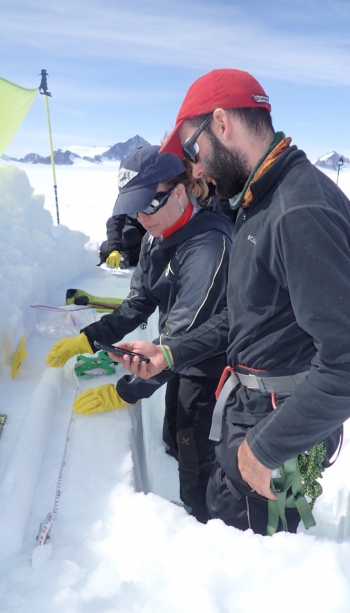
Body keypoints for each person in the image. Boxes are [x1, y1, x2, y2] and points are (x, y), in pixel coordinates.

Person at [112, 69, 350, 536]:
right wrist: (169, 352)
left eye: (193, 152)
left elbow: (345, 361)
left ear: (221, 123)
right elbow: (249, 315)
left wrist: (265, 449)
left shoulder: (299, 211)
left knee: (253, 566)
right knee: (257, 541)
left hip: (279, 427)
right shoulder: (260, 200)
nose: (195, 170)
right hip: (255, 411)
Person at [46, 145, 234, 523]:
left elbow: (181, 343)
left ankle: (203, 526)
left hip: (208, 371)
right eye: (135, 207)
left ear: (180, 192)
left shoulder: (207, 247)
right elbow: (141, 301)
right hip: (174, 356)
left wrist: (125, 392)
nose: (141, 218)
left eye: (149, 205)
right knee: (175, 439)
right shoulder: (156, 234)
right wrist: (89, 337)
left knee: (197, 463)